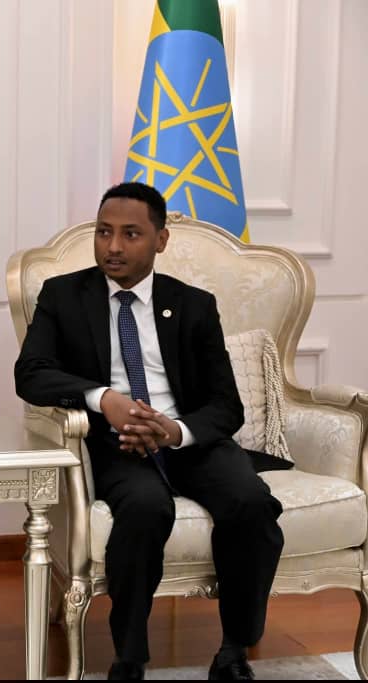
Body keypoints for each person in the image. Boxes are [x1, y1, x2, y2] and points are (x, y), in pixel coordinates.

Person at [14, 182, 283, 680]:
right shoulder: (63, 295)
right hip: (115, 444)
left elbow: (226, 406)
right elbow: (30, 374)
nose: (113, 246)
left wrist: (174, 430)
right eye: (103, 232)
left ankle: (234, 650)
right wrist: (104, 399)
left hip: (187, 440)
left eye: (130, 234)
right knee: (144, 508)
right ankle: (130, 657)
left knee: (251, 502)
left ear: (161, 239)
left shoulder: (194, 305)